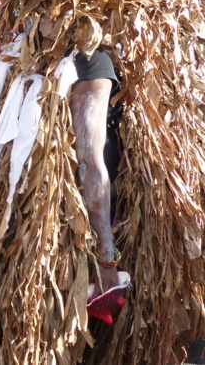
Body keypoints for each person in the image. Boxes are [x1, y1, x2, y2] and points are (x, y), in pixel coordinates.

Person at [71, 50, 130, 307]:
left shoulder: (30, 49)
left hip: (55, 221)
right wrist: (107, 260)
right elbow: (88, 160)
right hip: (76, 225)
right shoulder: (92, 61)